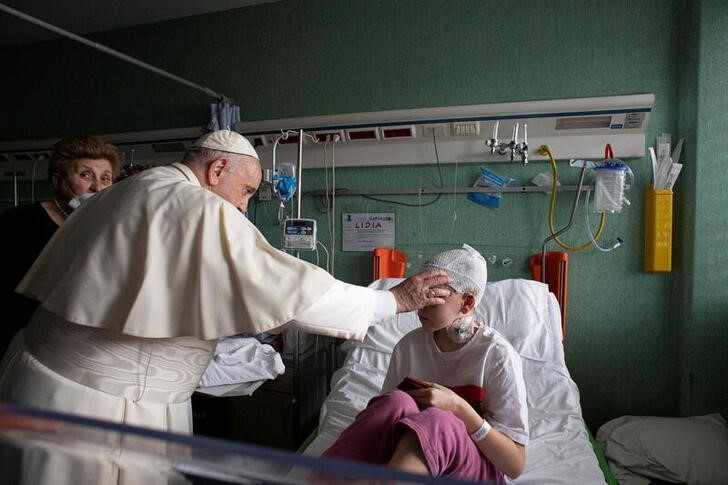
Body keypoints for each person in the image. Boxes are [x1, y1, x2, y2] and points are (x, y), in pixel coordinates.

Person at [0, 130, 452, 434]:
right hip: (96, 406)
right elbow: (291, 290)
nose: (241, 207)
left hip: (44, 380)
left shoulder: (129, 189)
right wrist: (394, 300)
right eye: (246, 191)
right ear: (216, 171)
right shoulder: (196, 204)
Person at [322, 244, 529, 483]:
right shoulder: (408, 347)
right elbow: (387, 424)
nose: (420, 303)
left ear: (467, 303)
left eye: (433, 295)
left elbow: (515, 465)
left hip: (473, 470)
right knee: (394, 401)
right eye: (420, 292)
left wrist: (460, 409)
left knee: (437, 419)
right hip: (412, 460)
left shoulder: (496, 355)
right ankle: (328, 477)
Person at [0, 136, 119, 356]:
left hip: (66, 342)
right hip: (16, 336)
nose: (97, 187)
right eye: (85, 175)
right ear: (58, 181)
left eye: (105, 178)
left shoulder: (105, 229)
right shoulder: (20, 221)